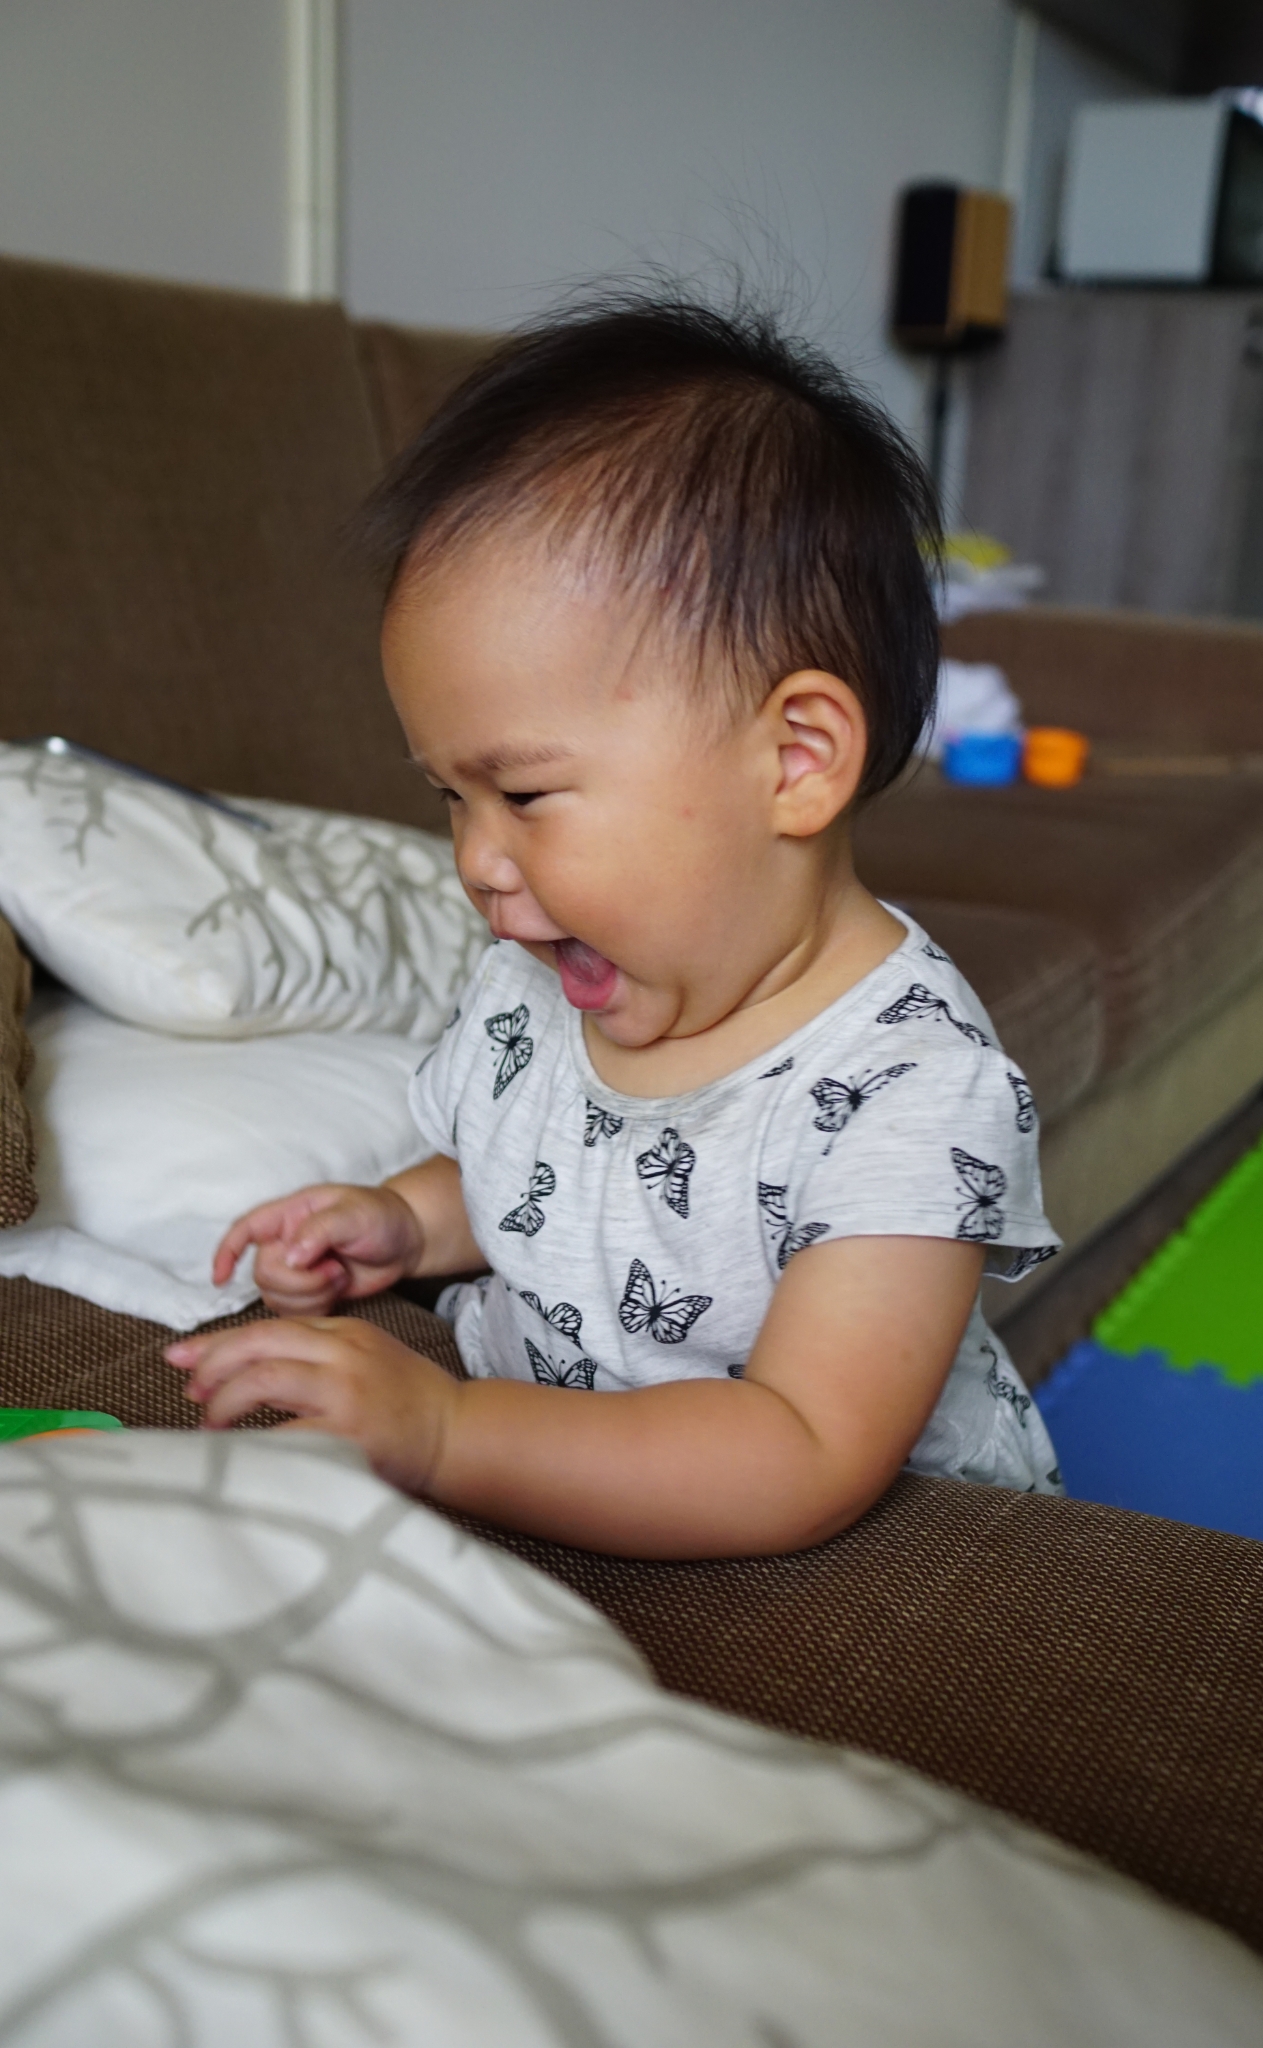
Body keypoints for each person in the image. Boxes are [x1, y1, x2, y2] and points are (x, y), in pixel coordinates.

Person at [167, 295, 1062, 1558]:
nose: (477, 860)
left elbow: (803, 1448)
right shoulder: (549, 979)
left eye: (525, 795)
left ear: (795, 760)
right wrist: (406, 1222)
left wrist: (447, 1430)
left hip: (815, 1546)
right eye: (452, 797)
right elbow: (539, 1171)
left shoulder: (911, 1088)